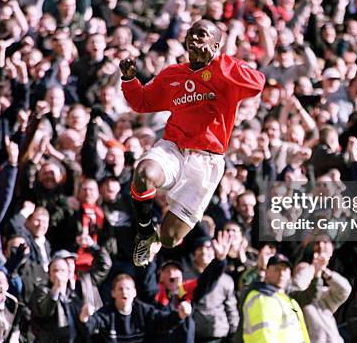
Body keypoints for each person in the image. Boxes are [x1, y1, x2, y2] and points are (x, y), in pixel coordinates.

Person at [119, 19, 265, 266]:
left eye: (202, 35)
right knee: (144, 173)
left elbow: (258, 83)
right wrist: (130, 80)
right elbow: (143, 102)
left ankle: (156, 237)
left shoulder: (225, 72)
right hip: (173, 148)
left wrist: (217, 60)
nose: (194, 38)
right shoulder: (173, 74)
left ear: (216, 44)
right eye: (191, 34)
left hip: (206, 162)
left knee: (169, 238)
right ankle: (144, 231)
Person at [79, 273, 192, 342]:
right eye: (120, 289)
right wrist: (85, 317)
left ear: (134, 293)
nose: (125, 292)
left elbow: (163, 320)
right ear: (113, 293)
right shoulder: (107, 313)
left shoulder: (143, 310)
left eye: (128, 289)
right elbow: (91, 325)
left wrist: (180, 315)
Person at [240, 254, 310, 343]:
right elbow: (263, 336)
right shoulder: (261, 298)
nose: (281, 274)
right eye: (277, 269)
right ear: (267, 272)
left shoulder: (287, 298)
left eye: (285, 270)